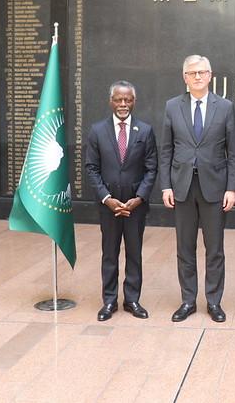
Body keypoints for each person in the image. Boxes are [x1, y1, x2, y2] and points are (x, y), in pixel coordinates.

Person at [159, 55, 235, 323]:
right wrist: (166, 185)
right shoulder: (172, 106)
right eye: (192, 73)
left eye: (202, 72)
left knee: (214, 248)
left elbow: (233, 152)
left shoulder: (225, 107)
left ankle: (214, 301)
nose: (197, 77)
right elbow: (166, 150)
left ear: (210, 75)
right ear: (184, 77)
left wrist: (232, 188)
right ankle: (188, 300)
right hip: (181, 187)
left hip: (215, 188)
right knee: (185, 247)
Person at [85, 80, 158, 322]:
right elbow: (92, 168)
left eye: (128, 100)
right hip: (109, 206)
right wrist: (107, 199)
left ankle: (132, 299)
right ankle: (109, 301)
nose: (123, 104)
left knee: (134, 253)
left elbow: (151, 169)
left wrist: (139, 198)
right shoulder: (97, 131)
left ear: (134, 102)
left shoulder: (145, 131)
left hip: (136, 207)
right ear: (111, 101)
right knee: (110, 253)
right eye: (119, 99)